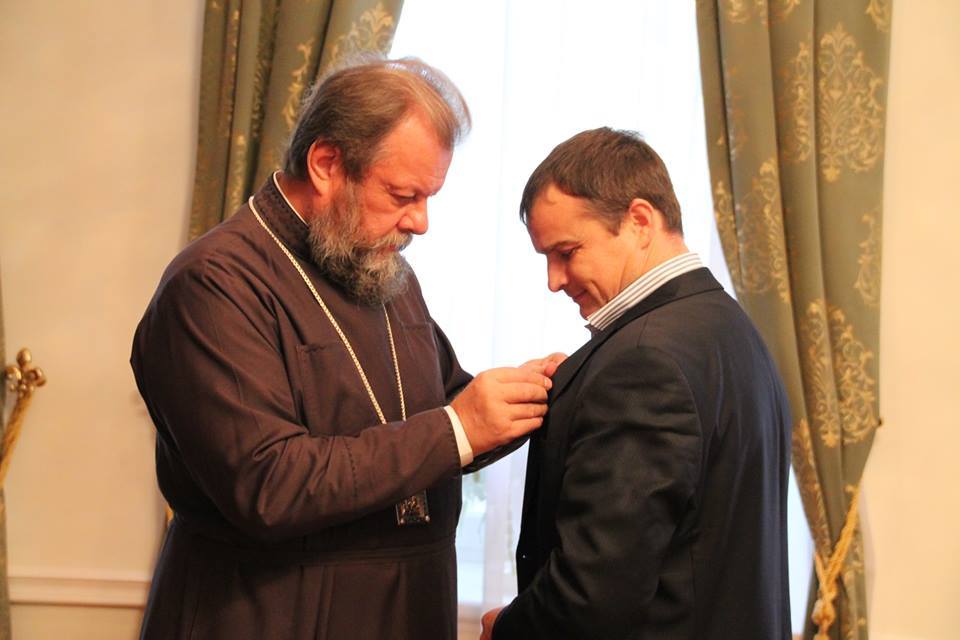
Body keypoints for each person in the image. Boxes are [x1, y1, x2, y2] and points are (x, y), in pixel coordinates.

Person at [131, 57, 558, 640]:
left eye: (428, 197)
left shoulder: (381, 270)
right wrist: (459, 427)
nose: (421, 222)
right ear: (327, 164)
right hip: (269, 614)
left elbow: (446, 409)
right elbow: (268, 485)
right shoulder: (213, 284)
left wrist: (547, 390)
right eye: (403, 194)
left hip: (407, 607)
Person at [482, 128, 792, 639]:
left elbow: (593, 593)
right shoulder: (730, 326)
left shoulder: (643, 363)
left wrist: (506, 630)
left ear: (640, 221)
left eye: (567, 252)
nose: (553, 280)